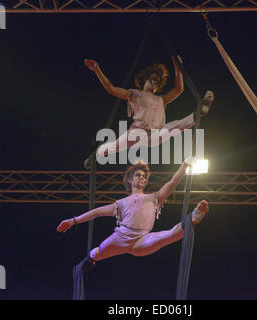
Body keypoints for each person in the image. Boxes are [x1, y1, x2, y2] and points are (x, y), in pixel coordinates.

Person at [57, 158, 209, 271]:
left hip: (142, 240)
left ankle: (191, 219)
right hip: (121, 237)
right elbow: (96, 213)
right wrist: (74, 220)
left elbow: (172, 182)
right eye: (138, 175)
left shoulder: (154, 198)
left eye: (144, 176)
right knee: (98, 253)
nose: (142, 178)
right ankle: (90, 259)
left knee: (169, 235)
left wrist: (185, 164)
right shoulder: (121, 203)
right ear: (130, 180)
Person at [84, 57, 214, 161]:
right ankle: (96, 154)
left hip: (155, 133)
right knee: (115, 146)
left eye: (157, 82)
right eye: (153, 80)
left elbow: (179, 89)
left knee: (174, 126)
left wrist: (177, 69)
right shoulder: (134, 94)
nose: (154, 83)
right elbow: (111, 88)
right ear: (145, 79)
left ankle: (198, 114)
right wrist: (97, 70)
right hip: (137, 131)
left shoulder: (161, 99)